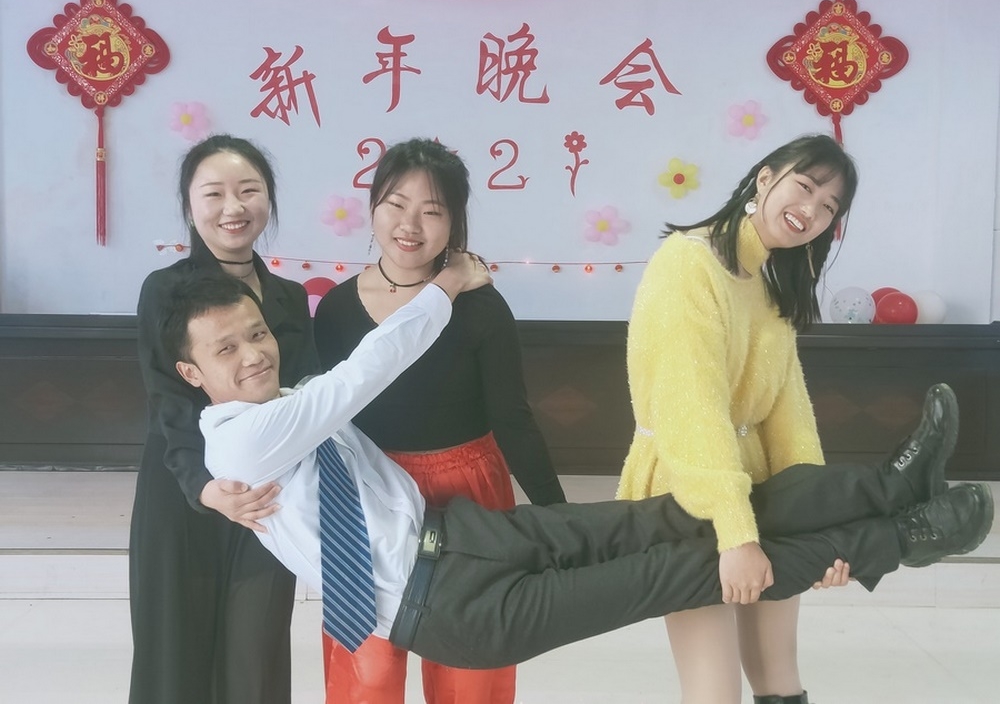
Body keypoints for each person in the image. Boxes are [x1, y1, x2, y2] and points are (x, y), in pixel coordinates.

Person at [169, 271, 991, 678]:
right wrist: (443, 287)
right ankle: (903, 537)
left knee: (692, 511)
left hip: (465, 535)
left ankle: (892, 484)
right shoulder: (239, 446)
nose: (254, 353)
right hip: (447, 608)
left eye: (257, 334)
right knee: (690, 570)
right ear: (191, 373)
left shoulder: (289, 404)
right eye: (227, 348)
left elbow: (334, 408)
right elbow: (363, 373)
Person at [313, 138, 565, 703]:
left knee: (469, 662)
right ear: (373, 206)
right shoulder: (335, 309)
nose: (410, 225)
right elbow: (324, 418)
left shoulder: (481, 306)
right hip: (369, 492)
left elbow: (513, 418)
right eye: (396, 204)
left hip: (467, 494)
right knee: (367, 664)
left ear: (454, 222)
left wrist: (558, 516)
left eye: (432, 211)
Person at [617, 134, 866, 703]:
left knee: (780, 676)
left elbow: (790, 415)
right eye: (805, 186)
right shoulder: (687, 261)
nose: (811, 210)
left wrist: (819, 522)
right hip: (688, 497)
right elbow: (690, 408)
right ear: (765, 178)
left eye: (829, 206)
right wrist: (736, 535)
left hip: (763, 493)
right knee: (715, 689)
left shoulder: (770, 282)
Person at [128, 135, 319, 704]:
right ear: (191, 207)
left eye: (249, 190)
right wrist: (204, 488)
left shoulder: (288, 297)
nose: (233, 207)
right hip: (182, 493)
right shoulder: (165, 290)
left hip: (264, 502)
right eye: (214, 193)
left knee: (254, 661)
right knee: (174, 656)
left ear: (268, 200)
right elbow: (168, 402)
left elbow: (302, 400)